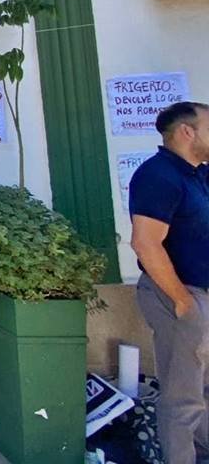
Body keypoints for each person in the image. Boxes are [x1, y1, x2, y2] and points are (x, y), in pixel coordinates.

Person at [131, 101, 209, 464]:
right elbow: (146, 243)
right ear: (186, 131)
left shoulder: (199, 174)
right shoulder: (158, 175)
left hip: (200, 293)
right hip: (180, 294)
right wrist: (183, 302)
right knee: (183, 396)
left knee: (202, 388)